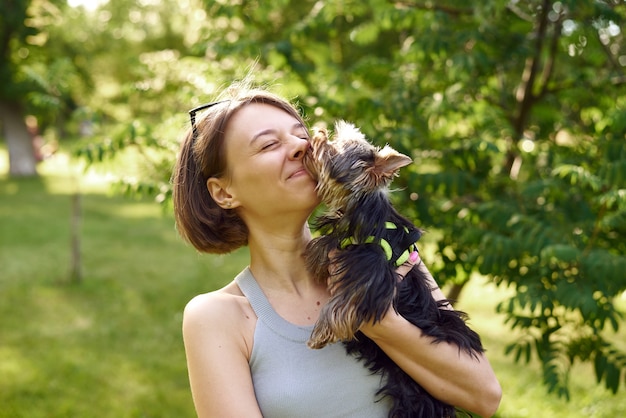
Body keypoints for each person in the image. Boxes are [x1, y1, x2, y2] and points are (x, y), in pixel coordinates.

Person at [172, 81, 502, 418]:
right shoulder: (217, 318)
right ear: (224, 192)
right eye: (269, 144)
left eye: (300, 133)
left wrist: (381, 323)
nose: (301, 146)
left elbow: (484, 397)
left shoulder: (387, 254)